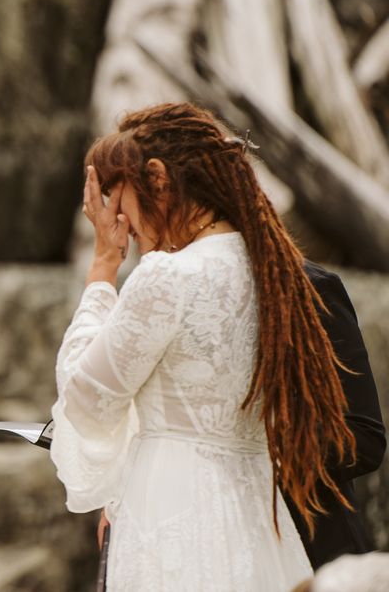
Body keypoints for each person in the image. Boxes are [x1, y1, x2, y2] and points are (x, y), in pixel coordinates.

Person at [50, 102, 356, 590]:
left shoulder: (168, 276)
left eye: (120, 203)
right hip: (257, 517)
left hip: (172, 512)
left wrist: (103, 266)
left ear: (158, 179)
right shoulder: (273, 277)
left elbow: (85, 399)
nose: (121, 224)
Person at [289, 261, 385, 568]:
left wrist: (256, 452)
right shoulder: (159, 295)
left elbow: (365, 439)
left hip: (311, 550)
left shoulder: (308, 288)